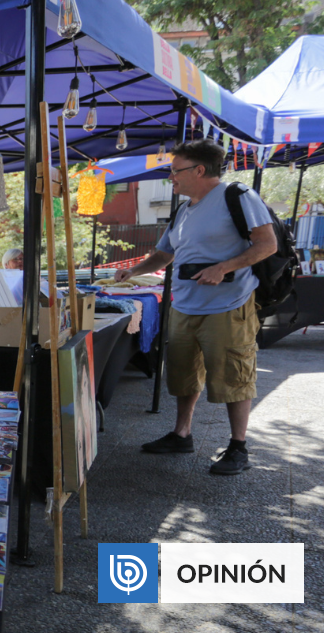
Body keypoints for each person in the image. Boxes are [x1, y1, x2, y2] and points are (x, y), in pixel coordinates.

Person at [114, 140, 277, 475]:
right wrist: (133, 271)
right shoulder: (184, 210)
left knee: (234, 375)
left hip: (228, 304)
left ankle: (238, 447)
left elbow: (267, 244)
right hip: (186, 305)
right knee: (183, 373)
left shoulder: (238, 196)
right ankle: (181, 434)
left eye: (176, 170)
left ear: (199, 170)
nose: (170, 177)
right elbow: (164, 254)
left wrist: (223, 267)